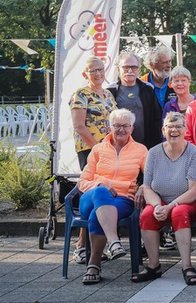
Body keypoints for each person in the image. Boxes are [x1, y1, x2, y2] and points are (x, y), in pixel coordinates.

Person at [132, 112, 196, 285]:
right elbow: (147, 187)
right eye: (170, 127)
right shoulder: (153, 153)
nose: (174, 130)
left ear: (185, 130)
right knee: (147, 214)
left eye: (178, 126)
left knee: (179, 212)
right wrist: (157, 206)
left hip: (188, 202)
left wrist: (170, 206)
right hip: (160, 200)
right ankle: (153, 266)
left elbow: (195, 190)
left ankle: (187, 267)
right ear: (163, 130)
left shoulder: (195, 153)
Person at [77, 109, 147, 284]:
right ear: (110, 127)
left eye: (126, 126)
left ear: (132, 128)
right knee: (101, 191)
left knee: (97, 215)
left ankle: (94, 265)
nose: (121, 129)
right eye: (117, 125)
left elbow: (151, 177)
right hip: (91, 197)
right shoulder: (98, 149)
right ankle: (113, 241)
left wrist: (143, 187)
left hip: (123, 199)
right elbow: (83, 182)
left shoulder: (140, 150)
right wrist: (101, 185)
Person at [70, 56, 118, 264]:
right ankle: (81, 245)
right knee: (90, 192)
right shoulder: (81, 94)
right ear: (85, 74)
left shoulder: (108, 94)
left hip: (109, 151)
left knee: (105, 193)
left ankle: (97, 243)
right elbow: (79, 126)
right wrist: (98, 148)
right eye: (93, 71)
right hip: (90, 151)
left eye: (100, 69)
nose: (98, 74)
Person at [108, 51, 162, 149]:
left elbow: (156, 118)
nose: (130, 71)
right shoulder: (110, 91)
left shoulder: (148, 89)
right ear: (118, 68)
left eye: (134, 67)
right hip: (118, 146)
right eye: (125, 67)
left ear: (139, 69)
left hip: (144, 145)